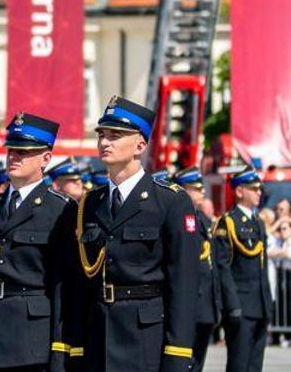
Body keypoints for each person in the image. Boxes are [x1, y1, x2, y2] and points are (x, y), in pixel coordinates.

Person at [72, 96, 197, 372]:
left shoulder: (170, 201)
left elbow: (183, 284)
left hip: (144, 338)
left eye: (115, 136)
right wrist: (75, 346)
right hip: (98, 335)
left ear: (140, 145)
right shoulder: (90, 203)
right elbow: (82, 284)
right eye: (102, 135)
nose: (104, 142)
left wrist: (177, 354)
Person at [0, 113, 75, 372]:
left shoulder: (60, 210)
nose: (13, 157)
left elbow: (63, 288)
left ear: (45, 159)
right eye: (11, 150)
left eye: (23, 152)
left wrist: (60, 350)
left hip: (30, 340)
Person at [218, 165, 271, 372]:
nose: (259, 192)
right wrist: (232, 305)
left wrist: (267, 303)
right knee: (239, 365)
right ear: (239, 191)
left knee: (255, 366)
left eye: (259, 189)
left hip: (260, 304)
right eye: (254, 189)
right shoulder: (229, 222)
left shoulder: (258, 223)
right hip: (241, 305)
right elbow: (223, 267)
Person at [176, 167, 224, 371]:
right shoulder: (178, 216)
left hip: (205, 301)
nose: (202, 191)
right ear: (184, 190)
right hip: (190, 299)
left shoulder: (202, 219)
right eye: (196, 188)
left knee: (198, 360)